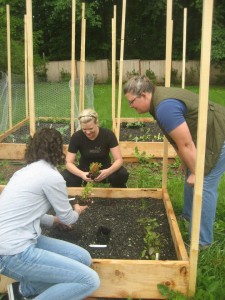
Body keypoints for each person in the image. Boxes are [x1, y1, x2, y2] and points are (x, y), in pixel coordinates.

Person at [124, 75, 225, 248]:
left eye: (131, 101)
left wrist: (196, 172)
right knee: (191, 176)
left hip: (218, 135)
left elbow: (185, 143)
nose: (131, 106)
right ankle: (187, 216)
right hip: (205, 135)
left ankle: (202, 242)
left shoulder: (164, 107)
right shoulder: (159, 99)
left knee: (204, 184)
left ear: (143, 95)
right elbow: (182, 141)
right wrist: (187, 164)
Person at [0, 128, 100, 300]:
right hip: (12, 251)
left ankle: (24, 290)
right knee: (89, 280)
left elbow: (28, 212)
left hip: (19, 239)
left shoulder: (24, 172)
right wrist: (77, 209)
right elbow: (68, 217)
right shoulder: (52, 177)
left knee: (82, 258)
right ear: (58, 149)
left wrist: (54, 220)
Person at [62, 108, 129, 188]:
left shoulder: (108, 135)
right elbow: (68, 162)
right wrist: (82, 174)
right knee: (65, 176)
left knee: (122, 174)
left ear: (97, 123)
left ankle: (117, 189)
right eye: (84, 129)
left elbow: (119, 160)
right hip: (85, 170)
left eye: (90, 129)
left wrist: (108, 171)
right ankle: (77, 193)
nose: (88, 132)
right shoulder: (77, 136)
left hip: (104, 169)